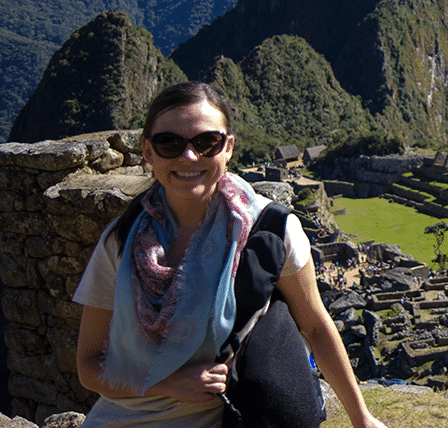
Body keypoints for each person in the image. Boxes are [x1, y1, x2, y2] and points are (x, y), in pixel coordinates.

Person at [74, 81, 388, 428]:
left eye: (206, 142)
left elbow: (314, 325)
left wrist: (362, 418)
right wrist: (165, 386)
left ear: (228, 148)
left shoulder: (268, 232)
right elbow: (89, 365)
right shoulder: (121, 241)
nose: (189, 156)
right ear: (148, 152)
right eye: (169, 144)